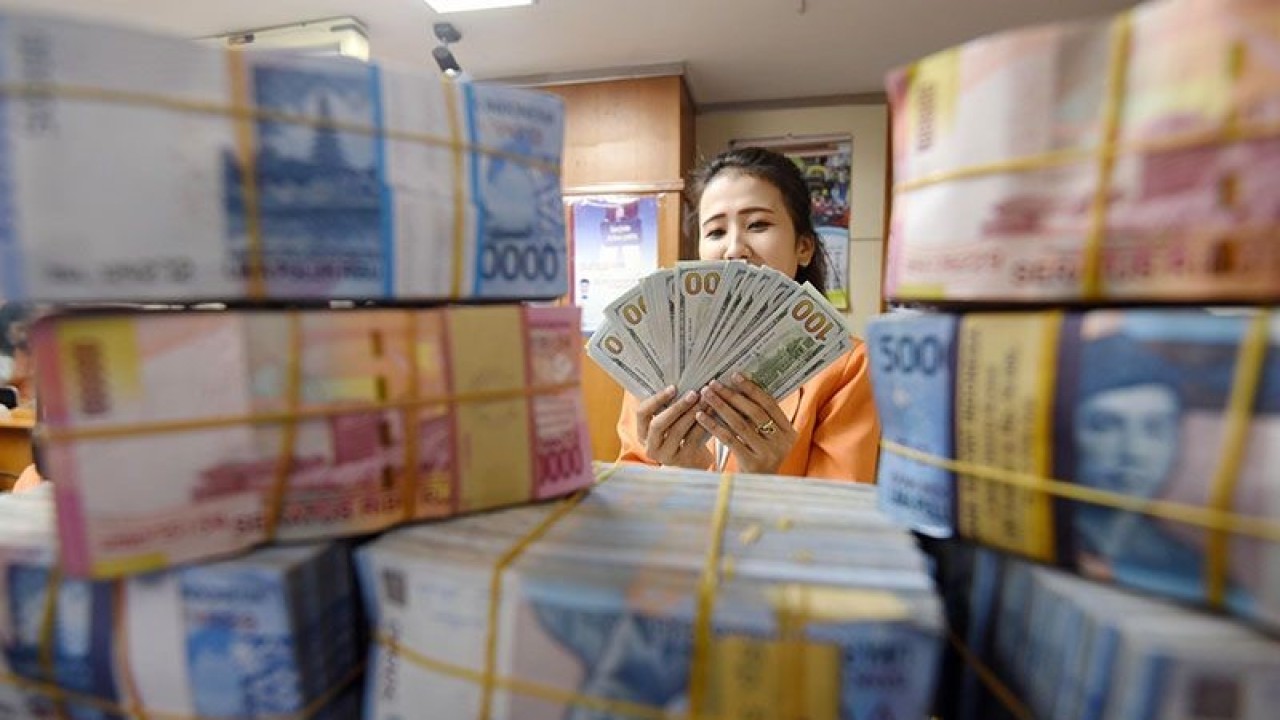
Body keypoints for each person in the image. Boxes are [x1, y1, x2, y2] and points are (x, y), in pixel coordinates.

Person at [616, 146, 880, 482]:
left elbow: (839, 515)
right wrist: (679, 475)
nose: (734, 249)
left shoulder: (848, 367)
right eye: (715, 232)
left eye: (757, 224)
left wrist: (766, 477)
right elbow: (631, 486)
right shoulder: (654, 356)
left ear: (803, 247)